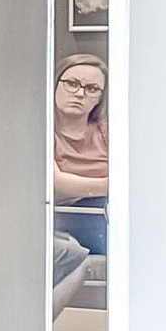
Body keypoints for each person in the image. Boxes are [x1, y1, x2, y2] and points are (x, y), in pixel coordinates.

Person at [50, 54, 110, 254]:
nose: (79, 93)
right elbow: (58, 185)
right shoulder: (43, 132)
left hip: (108, 214)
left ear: (100, 98)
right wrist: (110, 186)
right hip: (62, 218)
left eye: (91, 89)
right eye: (72, 83)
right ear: (55, 83)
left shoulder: (107, 133)